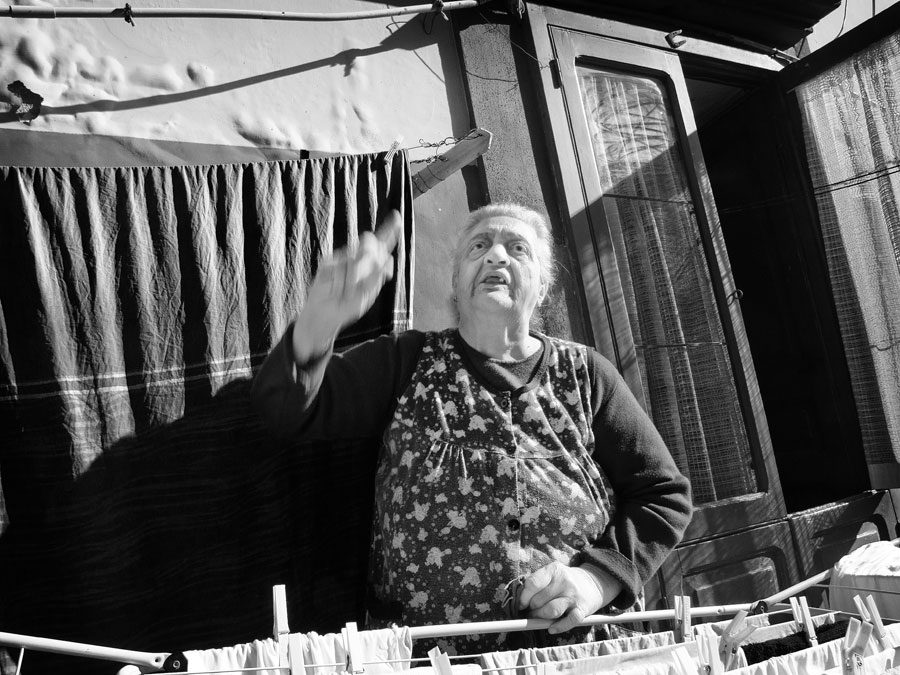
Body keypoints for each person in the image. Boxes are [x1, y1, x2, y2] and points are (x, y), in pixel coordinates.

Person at [251, 203, 693, 655]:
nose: (495, 255)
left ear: (543, 286)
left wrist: (597, 579)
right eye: (479, 246)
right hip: (431, 656)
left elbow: (664, 495)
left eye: (517, 248)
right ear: (456, 283)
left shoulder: (587, 375)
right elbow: (284, 410)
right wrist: (318, 322)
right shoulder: (405, 362)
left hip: (577, 653)